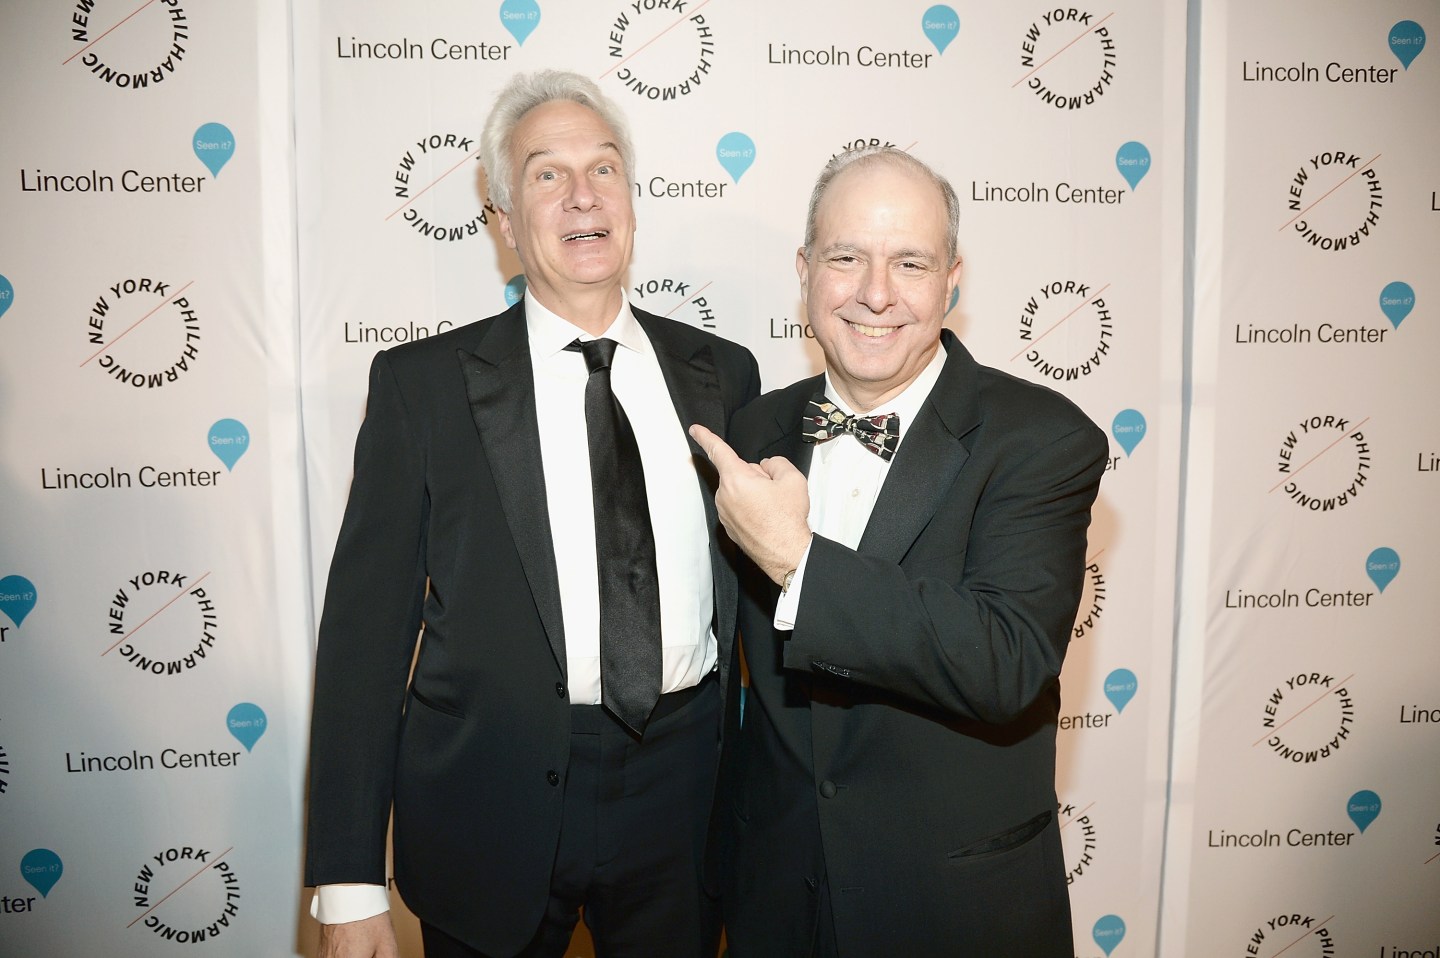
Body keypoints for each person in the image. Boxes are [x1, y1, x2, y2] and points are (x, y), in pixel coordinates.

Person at [306, 70, 759, 958]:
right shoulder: (421, 390)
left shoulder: (725, 375)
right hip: (488, 806)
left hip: (683, 806)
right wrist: (348, 881)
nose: (583, 195)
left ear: (631, 199)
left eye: (604, 169)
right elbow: (364, 639)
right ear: (506, 224)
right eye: (547, 174)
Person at [689, 146, 1107, 956]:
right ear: (806, 271)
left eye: (909, 262)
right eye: (847, 258)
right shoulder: (754, 431)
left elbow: (1007, 660)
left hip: (952, 909)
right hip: (774, 898)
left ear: (952, 280)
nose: (875, 294)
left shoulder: (1042, 438)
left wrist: (799, 563)